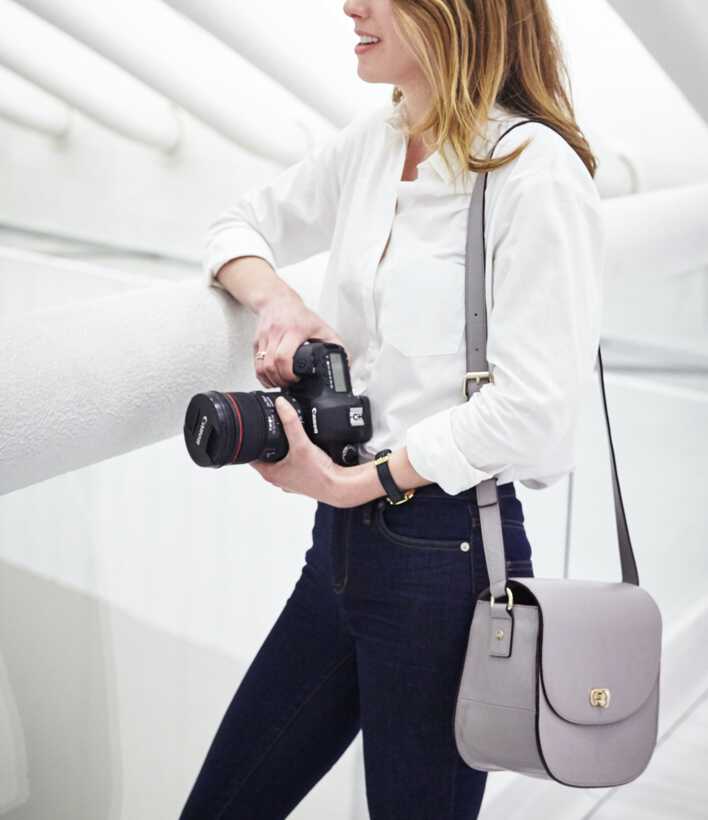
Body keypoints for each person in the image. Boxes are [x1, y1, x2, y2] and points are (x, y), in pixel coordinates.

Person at [179, 0, 604, 817]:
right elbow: (236, 226)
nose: (352, 6)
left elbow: (533, 410)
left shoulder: (535, 171)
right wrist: (279, 302)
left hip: (444, 555)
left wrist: (351, 483)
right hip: (339, 550)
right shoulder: (377, 140)